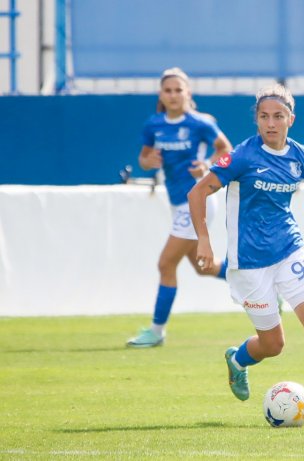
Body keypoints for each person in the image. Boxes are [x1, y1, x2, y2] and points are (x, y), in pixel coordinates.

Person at [187, 84, 304, 425]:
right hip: (248, 262)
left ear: (290, 120)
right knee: (273, 344)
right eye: (264, 116)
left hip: (289, 250)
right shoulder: (241, 157)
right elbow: (197, 194)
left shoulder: (302, 156)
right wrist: (204, 240)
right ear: (256, 120)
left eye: (278, 116)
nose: (270, 123)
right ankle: (237, 360)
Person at [126, 67, 233, 348]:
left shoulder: (200, 123)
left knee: (165, 263)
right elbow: (143, 159)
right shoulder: (153, 124)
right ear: (161, 95)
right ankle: (258, 281)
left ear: (188, 93)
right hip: (177, 203)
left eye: (178, 90)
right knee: (203, 268)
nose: (173, 95)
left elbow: (226, 150)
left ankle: (157, 331)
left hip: (197, 201)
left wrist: (209, 166)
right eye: (168, 90)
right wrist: (150, 161)